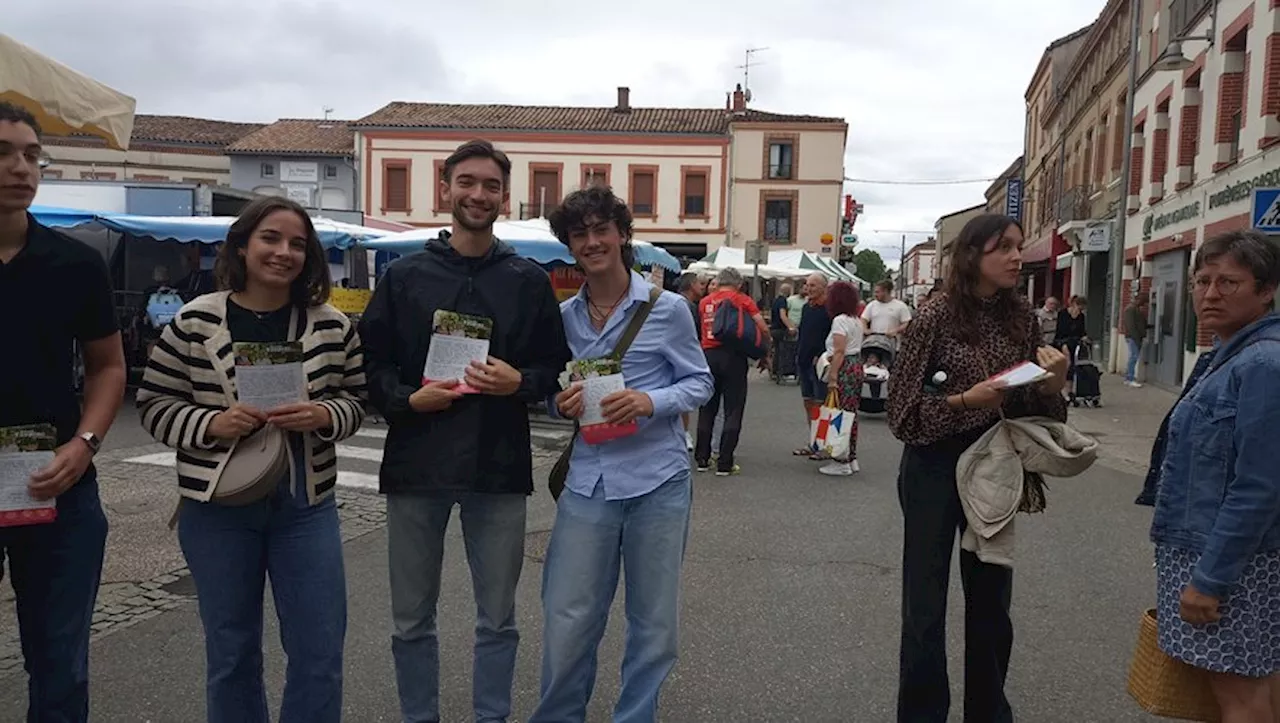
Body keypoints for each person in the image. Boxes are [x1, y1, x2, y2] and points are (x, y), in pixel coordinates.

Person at [357, 139, 569, 723]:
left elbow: (554, 366)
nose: (479, 194)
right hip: (416, 465)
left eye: (491, 185)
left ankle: (490, 717)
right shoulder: (404, 277)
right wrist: (407, 397)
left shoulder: (528, 280)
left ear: (504, 195)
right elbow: (369, 366)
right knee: (410, 618)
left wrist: (519, 381)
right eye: (468, 182)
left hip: (496, 467)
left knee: (498, 617)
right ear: (445, 188)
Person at [136, 195, 367, 723]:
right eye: (270, 238)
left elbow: (358, 400)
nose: (283, 252)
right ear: (241, 245)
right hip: (218, 507)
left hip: (305, 507)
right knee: (231, 651)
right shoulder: (195, 321)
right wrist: (210, 424)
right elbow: (153, 404)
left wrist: (324, 415)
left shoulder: (331, 325)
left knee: (319, 651)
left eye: (297, 244)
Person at [531, 186, 713, 723]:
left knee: (653, 625)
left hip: (658, 481)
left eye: (600, 230)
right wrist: (558, 402)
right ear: (570, 245)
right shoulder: (563, 318)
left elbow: (699, 383)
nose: (592, 242)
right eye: (580, 234)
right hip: (588, 482)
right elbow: (554, 388)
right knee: (568, 618)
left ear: (621, 234)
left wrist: (649, 400)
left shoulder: (669, 308)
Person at [887, 213, 1068, 723]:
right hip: (933, 465)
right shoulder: (935, 316)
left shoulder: (1022, 317)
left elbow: (1036, 413)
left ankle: (988, 714)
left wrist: (1053, 387)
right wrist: (967, 399)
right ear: (972, 256)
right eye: (1003, 248)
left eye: (1017, 246)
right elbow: (901, 414)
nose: (1016, 257)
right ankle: (922, 714)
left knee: (991, 603)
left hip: (996, 463)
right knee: (925, 607)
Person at [0, 100, 127, 722]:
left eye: (30, 155)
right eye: (2, 152)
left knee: (58, 661)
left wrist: (85, 443)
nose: (20, 167)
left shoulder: (76, 263)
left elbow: (108, 367)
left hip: (57, 485)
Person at [1149, 230, 1280, 721]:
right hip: (1223, 555)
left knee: (1240, 698)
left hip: (1234, 564)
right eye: (1202, 281)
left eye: (1229, 282)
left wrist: (1210, 580)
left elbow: (1260, 486)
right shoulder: (1225, 357)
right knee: (1257, 684)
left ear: (1266, 290)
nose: (1209, 294)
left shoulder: (1264, 364)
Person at [694, 267, 767, 476]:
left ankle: (702, 459)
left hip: (708, 356)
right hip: (733, 356)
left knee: (707, 408)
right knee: (733, 409)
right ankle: (725, 462)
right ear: (739, 283)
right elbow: (762, 326)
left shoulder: (705, 302)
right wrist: (764, 352)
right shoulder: (741, 299)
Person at [818, 281, 864, 477]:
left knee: (839, 413)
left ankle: (840, 460)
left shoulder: (839, 321)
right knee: (850, 412)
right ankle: (851, 457)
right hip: (856, 364)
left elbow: (839, 350)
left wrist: (833, 376)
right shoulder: (856, 320)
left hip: (844, 366)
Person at [793, 273, 832, 456]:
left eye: (813, 286)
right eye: (807, 285)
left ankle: (823, 444)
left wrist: (822, 355)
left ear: (824, 288)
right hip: (804, 360)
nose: (808, 289)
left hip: (819, 363)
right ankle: (813, 441)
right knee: (808, 403)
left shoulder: (829, 310)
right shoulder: (806, 308)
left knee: (821, 404)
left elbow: (831, 338)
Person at [676, 272, 706, 450]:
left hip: (681, 354)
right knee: (683, 396)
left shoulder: (687, 304)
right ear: (691, 285)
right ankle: (683, 434)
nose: (702, 287)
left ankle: (682, 433)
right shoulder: (684, 305)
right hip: (682, 355)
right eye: (699, 283)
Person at [860, 279, 912, 365]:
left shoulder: (900, 306)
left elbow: (906, 323)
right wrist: (865, 329)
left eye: (877, 292)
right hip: (873, 343)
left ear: (886, 291)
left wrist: (896, 330)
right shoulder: (872, 305)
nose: (875, 295)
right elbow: (863, 318)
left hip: (892, 345)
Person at [770, 282, 797, 380]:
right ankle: (782, 371)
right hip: (780, 329)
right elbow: (783, 315)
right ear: (788, 291)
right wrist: (791, 327)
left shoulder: (775, 300)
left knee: (777, 350)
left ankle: (774, 371)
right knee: (783, 350)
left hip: (773, 328)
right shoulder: (783, 301)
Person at [1123, 294, 1150, 387]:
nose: (1144, 305)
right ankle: (1129, 378)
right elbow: (1131, 326)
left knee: (1133, 357)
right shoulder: (1130, 309)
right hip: (1133, 337)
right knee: (1133, 357)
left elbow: (1140, 324)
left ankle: (1128, 377)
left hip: (1135, 337)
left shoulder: (1135, 309)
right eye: (1144, 303)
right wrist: (1137, 338)